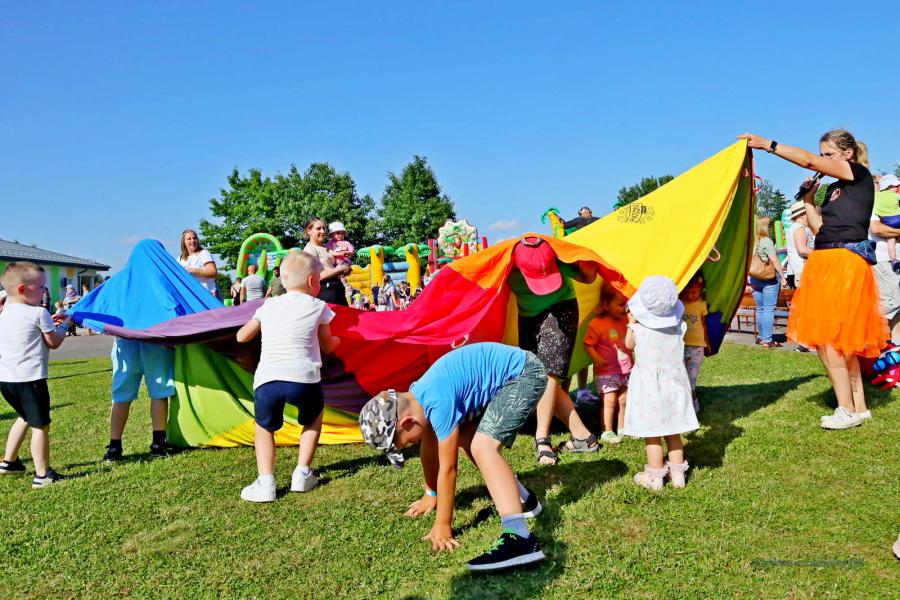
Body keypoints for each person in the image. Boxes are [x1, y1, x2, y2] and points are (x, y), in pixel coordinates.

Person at [739, 130, 886, 429]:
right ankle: (858, 407)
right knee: (834, 341)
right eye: (822, 155)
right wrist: (808, 199)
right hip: (826, 259)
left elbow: (807, 161)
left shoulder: (857, 173)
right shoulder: (836, 188)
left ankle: (846, 409)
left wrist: (768, 145)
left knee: (831, 339)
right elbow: (819, 230)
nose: (822, 160)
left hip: (843, 262)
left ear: (847, 154)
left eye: (828, 155)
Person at [358, 342, 547, 572]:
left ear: (406, 423)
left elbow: (448, 469)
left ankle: (520, 538)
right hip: (515, 372)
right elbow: (429, 447)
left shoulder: (438, 402)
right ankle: (524, 500)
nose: (410, 445)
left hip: (524, 374)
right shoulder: (420, 398)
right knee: (467, 437)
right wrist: (431, 494)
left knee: (483, 447)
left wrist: (443, 524)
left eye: (405, 443)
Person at [236, 252, 340, 502]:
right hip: (304, 379)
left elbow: (242, 336)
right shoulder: (319, 306)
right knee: (313, 419)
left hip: (268, 379)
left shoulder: (269, 305)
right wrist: (340, 339)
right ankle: (302, 473)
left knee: (264, 428)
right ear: (313, 281)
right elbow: (327, 346)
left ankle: (266, 483)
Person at [507, 237, 600, 465]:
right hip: (528, 317)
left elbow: (587, 278)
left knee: (549, 374)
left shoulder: (555, 259)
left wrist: (588, 263)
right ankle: (583, 437)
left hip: (561, 309)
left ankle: (542, 438)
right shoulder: (507, 267)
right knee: (536, 375)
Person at [622, 276, 699, 490]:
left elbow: (628, 345)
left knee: (653, 434)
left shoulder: (638, 330)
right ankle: (678, 477)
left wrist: (631, 323)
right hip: (674, 385)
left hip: (649, 389)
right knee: (674, 431)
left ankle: (655, 479)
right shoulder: (680, 327)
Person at [0, 262, 73, 487]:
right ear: (23, 289)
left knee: (24, 416)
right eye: (41, 287)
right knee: (40, 426)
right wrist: (66, 324)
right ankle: (43, 475)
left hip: (6, 380)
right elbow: (53, 342)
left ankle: (9, 462)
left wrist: (51, 325)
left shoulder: (4, 312)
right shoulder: (39, 312)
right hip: (30, 379)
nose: (45, 291)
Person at [583, 283, 632, 444]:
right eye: (621, 304)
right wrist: (595, 357)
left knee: (624, 399)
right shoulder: (596, 324)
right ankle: (607, 431)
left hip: (626, 369)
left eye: (627, 303)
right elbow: (588, 343)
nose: (625, 307)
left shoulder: (626, 320)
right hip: (606, 372)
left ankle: (623, 427)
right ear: (606, 305)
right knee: (609, 401)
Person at [562, 206, 600, 404]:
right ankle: (564, 397)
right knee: (570, 358)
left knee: (583, 355)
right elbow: (565, 225)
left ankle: (583, 391)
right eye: (582, 211)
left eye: (587, 211)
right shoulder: (570, 265)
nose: (585, 213)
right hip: (573, 315)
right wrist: (557, 220)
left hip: (586, 314)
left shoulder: (596, 222)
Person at [869, 176, 900, 344]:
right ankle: (868, 333)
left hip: (894, 259)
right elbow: (876, 228)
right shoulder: (874, 202)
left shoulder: (892, 201)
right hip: (884, 259)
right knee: (890, 302)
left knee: (897, 306)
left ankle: (896, 345)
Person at [750, 215, 787, 348]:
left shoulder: (752, 241)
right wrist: (783, 277)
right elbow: (775, 260)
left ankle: (761, 337)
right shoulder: (766, 241)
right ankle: (767, 339)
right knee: (769, 309)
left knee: (760, 309)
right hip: (769, 279)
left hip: (755, 277)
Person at [303, 217, 352, 307]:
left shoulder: (326, 248)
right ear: (309, 231)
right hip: (326, 291)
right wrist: (340, 269)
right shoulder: (309, 249)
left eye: (324, 228)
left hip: (337, 289)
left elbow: (331, 268)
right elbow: (314, 277)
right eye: (318, 228)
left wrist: (344, 270)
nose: (323, 231)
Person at [680, 273, 711, 412]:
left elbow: (704, 325)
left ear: (700, 290)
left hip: (697, 348)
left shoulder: (702, 305)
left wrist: (707, 342)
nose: (690, 296)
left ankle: (693, 408)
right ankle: (684, 406)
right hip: (680, 346)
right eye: (687, 292)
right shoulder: (679, 304)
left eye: (694, 292)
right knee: (681, 378)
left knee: (691, 379)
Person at [178, 229, 219, 298]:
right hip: (190, 296)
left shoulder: (204, 253)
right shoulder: (180, 259)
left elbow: (213, 272)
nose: (193, 240)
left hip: (207, 294)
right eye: (189, 239)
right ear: (184, 242)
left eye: (194, 238)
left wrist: (192, 270)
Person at [873, 174, 900, 271]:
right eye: (896, 186)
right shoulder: (896, 195)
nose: (897, 188)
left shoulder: (876, 196)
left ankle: (893, 259)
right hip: (898, 217)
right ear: (889, 186)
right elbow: (876, 229)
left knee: (890, 239)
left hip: (886, 220)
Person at [785, 201, 814, 289]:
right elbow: (802, 250)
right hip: (800, 272)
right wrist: (819, 253)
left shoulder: (793, 227)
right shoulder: (799, 228)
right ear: (801, 215)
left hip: (795, 272)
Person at [326, 221, 355, 298]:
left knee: (340, 274)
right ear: (332, 234)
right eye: (337, 233)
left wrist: (348, 252)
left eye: (342, 233)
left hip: (344, 262)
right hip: (334, 263)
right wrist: (339, 254)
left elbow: (353, 252)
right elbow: (330, 252)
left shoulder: (346, 243)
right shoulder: (330, 243)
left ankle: (347, 286)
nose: (340, 235)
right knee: (336, 275)